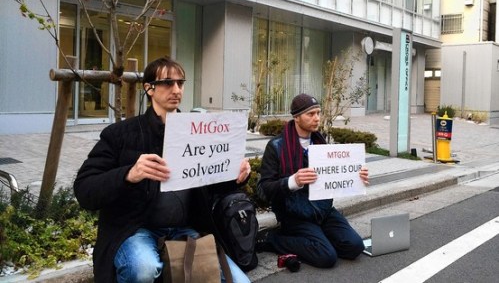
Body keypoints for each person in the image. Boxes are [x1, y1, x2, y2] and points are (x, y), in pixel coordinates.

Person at [74, 56, 251, 283]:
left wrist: (234, 176)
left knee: (241, 281)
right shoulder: (120, 134)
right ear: (149, 89)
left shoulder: (198, 132)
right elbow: (84, 189)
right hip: (135, 229)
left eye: (180, 83)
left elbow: (210, 184)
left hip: (185, 228)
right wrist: (128, 174)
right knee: (143, 268)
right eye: (167, 83)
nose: (176, 89)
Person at [256, 93, 369, 268]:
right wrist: (292, 181)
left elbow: (335, 175)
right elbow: (263, 189)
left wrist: (356, 176)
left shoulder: (321, 144)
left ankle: (319, 236)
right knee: (326, 257)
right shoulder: (276, 146)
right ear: (296, 117)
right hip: (295, 213)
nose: (317, 118)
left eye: (318, 113)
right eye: (311, 114)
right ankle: (272, 239)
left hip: (323, 210)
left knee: (355, 247)